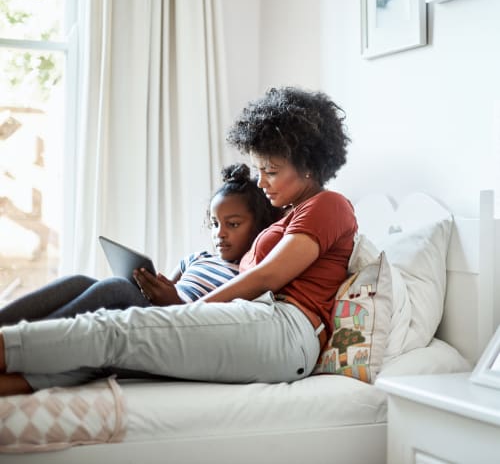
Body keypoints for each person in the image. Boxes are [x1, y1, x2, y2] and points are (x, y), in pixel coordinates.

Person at [0, 87, 357, 396]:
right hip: (260, 322)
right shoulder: (288, 216)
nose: (262, 182)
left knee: (115, 330)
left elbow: (266, 278)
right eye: (260, 169)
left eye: (272, 171)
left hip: (286, 331)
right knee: (105, 355)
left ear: (309, 164)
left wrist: (189, 311)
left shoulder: (329, 205)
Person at [0, 163, 279, 326]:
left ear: (258, 226)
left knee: (116, 288)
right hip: (148, 312)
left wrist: (176, 302)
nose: (220, 233)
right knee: (78, 281)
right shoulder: (198, 259)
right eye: (215, 224)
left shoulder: (245, 276)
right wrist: (149, 285)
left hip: (175, 325)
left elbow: (221, 321)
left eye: (232, 225)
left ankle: (26, 338)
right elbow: (162, 290)